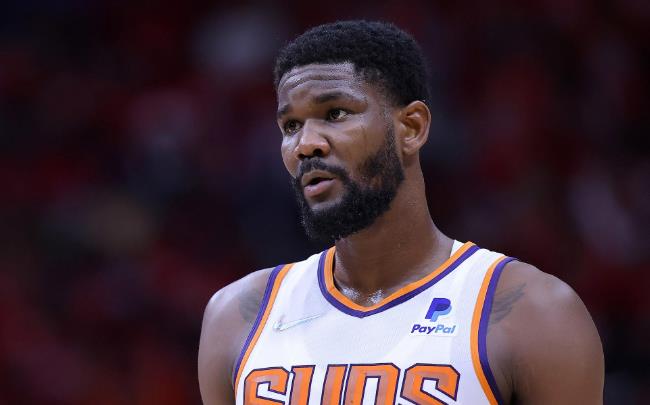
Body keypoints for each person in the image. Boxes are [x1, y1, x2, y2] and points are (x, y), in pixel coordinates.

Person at [198, 20, 604, 404]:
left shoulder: (533, 312)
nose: (306, 144)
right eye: (290, 126)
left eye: (335, 113)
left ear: (411, 127)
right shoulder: (236, 317)